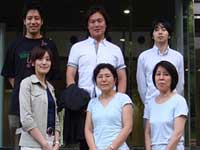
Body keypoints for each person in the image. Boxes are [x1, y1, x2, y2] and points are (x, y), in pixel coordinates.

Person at [66, 4, 127, 149]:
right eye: (92, 22)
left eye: (100, 21)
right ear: (87, 25)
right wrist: (74, 96)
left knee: (110, 137)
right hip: (83, 105)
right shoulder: (77, 48)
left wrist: (118, 100)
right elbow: (70, 74)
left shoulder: (115, 50)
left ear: (105, 24)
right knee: (85, 142)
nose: (96, 24)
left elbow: (122, 78)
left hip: (109, 104)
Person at [1, 3, 60, 149]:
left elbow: (53, 75)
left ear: (42, 21)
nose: (33, 22)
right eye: (29, 18)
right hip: (17, 106)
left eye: (36, 18)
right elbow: (9, 74)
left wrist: (38, 94)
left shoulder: (50, 45)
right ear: (24, 21)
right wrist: (25, 93)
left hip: (44, 105)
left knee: (46, 143)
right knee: (19, 145)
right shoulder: (15, 45)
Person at [19, 45, 60, 150]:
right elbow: (26, 119)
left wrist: (56, 142)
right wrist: (44, 144)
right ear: (32, 62)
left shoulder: (50, 88)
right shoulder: (27, 83)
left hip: (50, 144)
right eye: (40, 59)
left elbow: (56, 119)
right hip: (32, 145)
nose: (44, 62)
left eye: (47, 59)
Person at [85, 63, 133, 150]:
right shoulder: (92, 102)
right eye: (100, 77)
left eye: (107, 76)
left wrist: (111, 147)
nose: (104, 79)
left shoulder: (123, 99)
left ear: (115, 79)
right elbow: (88, 129)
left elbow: (128, 127)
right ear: (95, 81)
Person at [136, 18, 184, 105]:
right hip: (151, 104)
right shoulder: (144, 57)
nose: (160, 32)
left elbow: (180, 84)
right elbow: (141, 86)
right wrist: (148, 103)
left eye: (164, 29)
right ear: (152, 35)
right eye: (156, 30)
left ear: (169, 35)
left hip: (172, 104)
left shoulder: (178, 57)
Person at [144, 61, 188, 150]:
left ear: (173, 78)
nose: (161, 78)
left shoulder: (179, 101)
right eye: (158, 74)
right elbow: (147, 133)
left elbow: (178, 133)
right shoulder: (150, 103)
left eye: (166, 74)